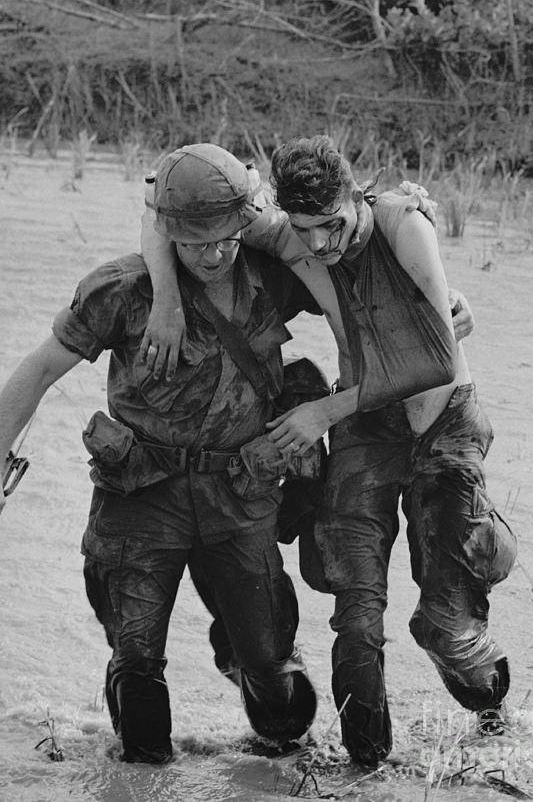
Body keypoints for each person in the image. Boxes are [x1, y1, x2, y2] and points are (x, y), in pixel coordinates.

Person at [139, 137, 513, 770]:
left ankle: (495, 716)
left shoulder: (402, 220)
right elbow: (159, 204)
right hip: (369, 429)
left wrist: (322, 411)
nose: (318, 245)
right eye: (304, 229)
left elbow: (436, 359)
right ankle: (366, 768)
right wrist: (166, 303)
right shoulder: (289, 234)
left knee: (448, 626)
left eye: (331, 226)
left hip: (442, 424)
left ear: (355, 196)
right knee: (356, 610)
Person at [0, 143, 326, 764]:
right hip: (141, 496)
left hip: (240, 493)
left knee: (276, 682)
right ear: (167, 231)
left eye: (227, 237)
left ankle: (275, 740)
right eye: (197, 242)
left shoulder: (273, 277)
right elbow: (38, 370)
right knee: (138, 667)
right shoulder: (121, 292)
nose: (216, 253)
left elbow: (355, 288)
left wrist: (445, 311)